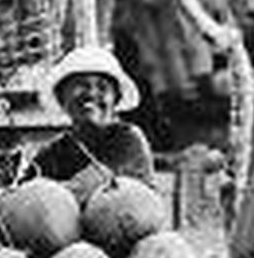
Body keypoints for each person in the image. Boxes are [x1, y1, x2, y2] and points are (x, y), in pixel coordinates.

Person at [21, 45, 157, 188]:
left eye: (102, 87)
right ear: (62, 98)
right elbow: (25, 194)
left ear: (115, 100)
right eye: (81, 85)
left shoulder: (127, 139)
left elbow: (90, 185)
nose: (92, 94)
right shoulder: (55, 152)